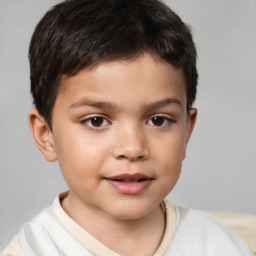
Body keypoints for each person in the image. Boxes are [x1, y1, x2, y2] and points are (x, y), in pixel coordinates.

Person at [2, 0, 253, 255]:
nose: (132, 148)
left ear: (186, 132)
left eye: (158, 120)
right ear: (46, 136)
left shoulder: (221, 246)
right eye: (96, 120)